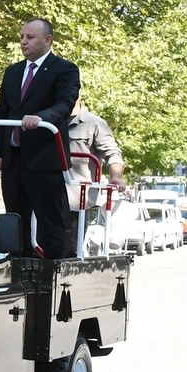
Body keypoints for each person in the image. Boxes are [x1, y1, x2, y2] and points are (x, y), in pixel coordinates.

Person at [0, 18, 81, 258]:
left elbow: (64, 104)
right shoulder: (13, 72)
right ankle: (20, 270)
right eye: (21, 37)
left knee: (49, 222)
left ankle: (53, 275)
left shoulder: (64, 69)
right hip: (13, 159)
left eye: (29, 37)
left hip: (44, 159)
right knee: (15, 221)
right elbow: (3, 112)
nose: (23, 41)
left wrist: (40, 118)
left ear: (47, 39)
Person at [65, 97, 125, 256]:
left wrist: (116, 177)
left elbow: (113, 153)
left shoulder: (94, 123)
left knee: (69, 251)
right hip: (46, 197)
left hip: (76, 201)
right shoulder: (49, 120)